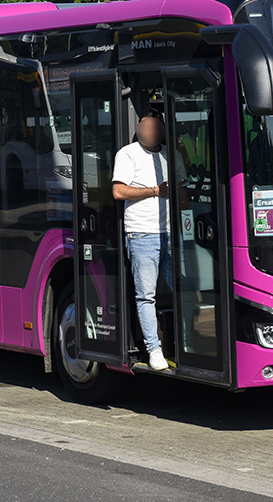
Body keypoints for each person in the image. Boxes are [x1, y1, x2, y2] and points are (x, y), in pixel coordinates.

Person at [111, 108, 174, 371]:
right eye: (146, 127)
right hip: (142, 234)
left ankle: (181, 345)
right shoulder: (128, 153)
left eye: (155, 128)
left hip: (173, 234)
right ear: (139, 128)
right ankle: (154, 350)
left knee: (183, 292)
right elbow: (118, 191)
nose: (150, 132)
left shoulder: (171, 155)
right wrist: (154, 191)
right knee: (146, 296)